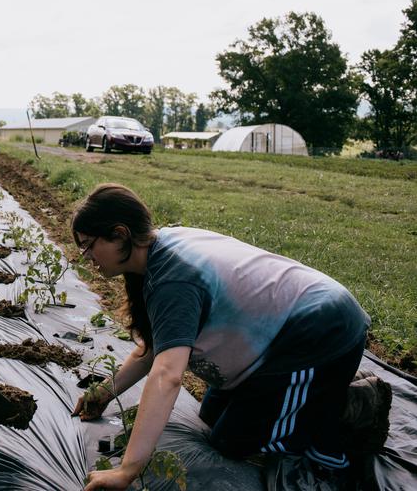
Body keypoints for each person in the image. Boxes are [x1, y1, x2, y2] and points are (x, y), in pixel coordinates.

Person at [72, 183, 391, 491]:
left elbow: (167, 375)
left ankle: (346, 402)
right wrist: (105, 392)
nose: (87, 256)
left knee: (237, 443)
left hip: (318, 332)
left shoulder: (172, 281)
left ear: (120, 234)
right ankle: (318, 392)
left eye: (88, 245)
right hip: (275, 340)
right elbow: (154, 349)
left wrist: (128, 470)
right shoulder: (157, 249)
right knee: (212, 415)